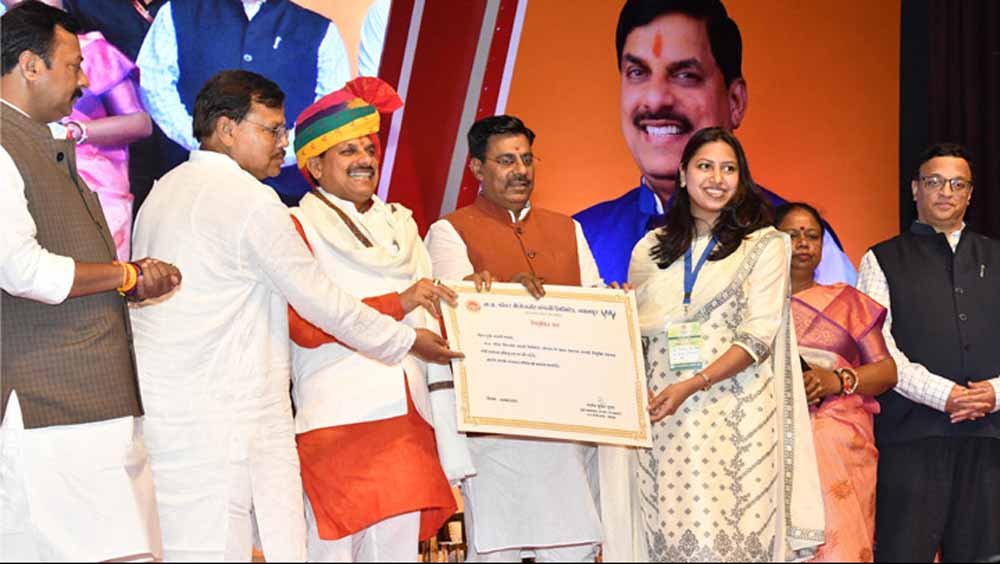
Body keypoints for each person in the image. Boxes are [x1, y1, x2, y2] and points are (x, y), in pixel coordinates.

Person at [129, 70, 461, 561]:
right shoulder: (249, 200)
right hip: (231, 418)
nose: (283, 144)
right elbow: (322, 305)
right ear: (227, 129)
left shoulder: (162, 192)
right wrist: (406, 341)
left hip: (174, 415)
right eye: (271, 130)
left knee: (188, 547)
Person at [0, 2, 181, 560]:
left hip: (86, 403)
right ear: (31, 66)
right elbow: (21, 268)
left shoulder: (39, 139)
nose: (83, 81)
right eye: (73, 66)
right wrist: (125, 275)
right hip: (51, 405)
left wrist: (127, 280)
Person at [628, 127, 823, 562]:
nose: (717, 179)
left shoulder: (765, 245)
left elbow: (758, 337)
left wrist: (693, 383)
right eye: (705, 166)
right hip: (666, 419)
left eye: (728, 169)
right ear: (682, 174)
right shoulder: (649, 249)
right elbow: (635, 336)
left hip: (738, 419)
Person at [288, 77, 458, 562]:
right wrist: (399, 305)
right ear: (314, 164)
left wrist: (481, 298)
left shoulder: (401, 224)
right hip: (336, 420)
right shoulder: (295, 225)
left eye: (369, 147)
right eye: (348, 150)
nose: (365, 158)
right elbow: (306, 326)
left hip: (408, 417)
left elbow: (437, 310)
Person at [574, 0, 856, 287]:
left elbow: (840, 314)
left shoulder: (796, 235)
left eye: (686, 75)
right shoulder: (582, 238)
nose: (656, 99)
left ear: (735, 101)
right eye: (637, 72)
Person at [425, 115, 605, 562]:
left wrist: (613, 307)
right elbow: (457, 315)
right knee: (496, 551)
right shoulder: (449, 231)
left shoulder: (568, 229)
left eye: (526, 159)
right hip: (495, 429)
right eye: (506, 161)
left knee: (574, 548)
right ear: (476, 168)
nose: (520, 170)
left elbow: (595, 308)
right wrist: (505, 290)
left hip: (565, 424)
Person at [856, 143, 1000, 562]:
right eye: (935, 181)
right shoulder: (881, 258)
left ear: (970, 193)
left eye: (958, 184)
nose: (946, 192)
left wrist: (994, 392)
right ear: (915, 188)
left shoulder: (995, 255)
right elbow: (877, 348)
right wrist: (944, 395)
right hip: (911, 436)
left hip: (990, 436)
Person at [136, 0, 351, 206]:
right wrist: (207, 144)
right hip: (191, 187)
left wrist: (274, 152)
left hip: (284, 195)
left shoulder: (320, 30)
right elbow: (154, 86)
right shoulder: (177, 13)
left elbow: (329, 112)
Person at [775, 202, 897, 563]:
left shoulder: (847, 301)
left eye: (813, 236)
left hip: (839, 438)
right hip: (769, 435)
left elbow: (886, 371)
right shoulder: (753, 307)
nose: (803, 243)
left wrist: (836, 380)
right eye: (791, 235)